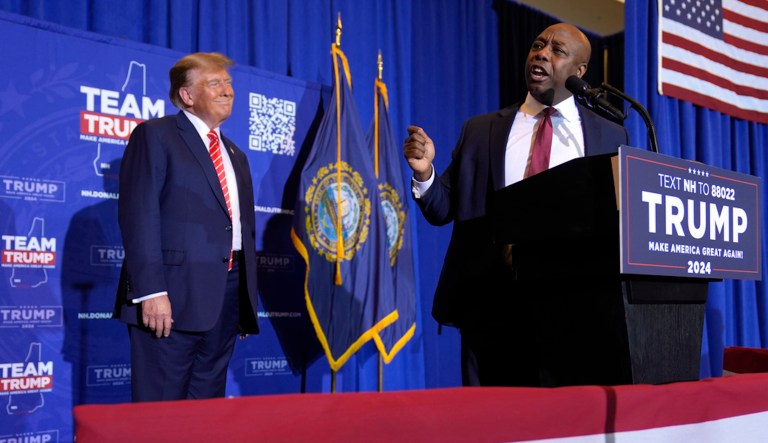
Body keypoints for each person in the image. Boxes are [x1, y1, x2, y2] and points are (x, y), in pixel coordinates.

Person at [403, 23, 628, 387]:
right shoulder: (481, 131)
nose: (541, 53)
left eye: (557, 50)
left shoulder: (610, 135)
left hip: (576, 308)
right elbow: (443, 208)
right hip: (491, 305)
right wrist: (426, 171)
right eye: (538, 45)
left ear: (580, 71)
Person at [114, 52, 260, 402]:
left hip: (224, 301)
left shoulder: (235, 153)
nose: (227, 91)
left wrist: (242, 301)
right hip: (170, 301)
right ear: (187, 95)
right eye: (215, 83)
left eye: (228, 83)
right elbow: (139, 216)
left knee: (206, 412)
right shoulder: (155, 136)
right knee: (160, 413)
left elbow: (238, 230)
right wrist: (150, 292)